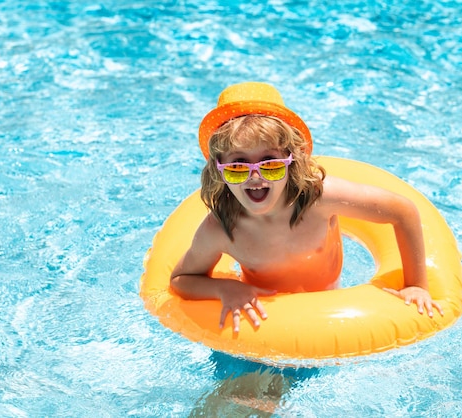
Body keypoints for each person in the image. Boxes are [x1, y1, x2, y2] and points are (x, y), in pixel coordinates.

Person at [171, 81, 443, 334]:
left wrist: (416, 285)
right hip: (267, 326)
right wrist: (224, 288)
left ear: (293, 160)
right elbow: (181, 279)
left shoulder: (320, 199)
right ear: (219, 171)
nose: (256, 176)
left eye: (270, 163)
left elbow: (402, 211)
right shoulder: (222, 228)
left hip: (332, 313)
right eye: (238, 166)